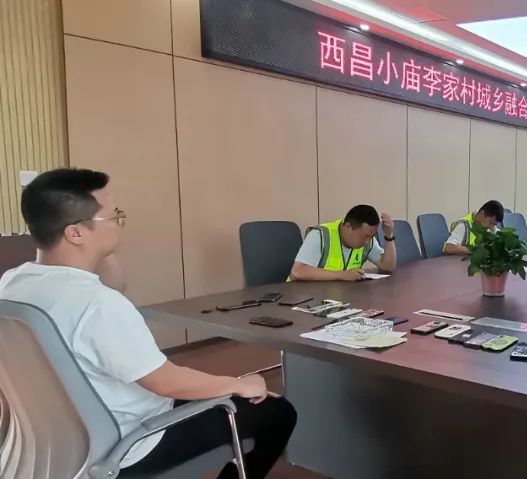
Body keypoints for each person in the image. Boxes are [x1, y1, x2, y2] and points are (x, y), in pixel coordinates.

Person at [0, 168, 296, 478]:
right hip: (131, 443)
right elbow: (166, 382)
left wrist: (100, 249)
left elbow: (113, 285)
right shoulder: (98, 304)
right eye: (114, 216)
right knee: (277, 412)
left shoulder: (13, 282)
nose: (120, 222)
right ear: (76, 233)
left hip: (59, 440)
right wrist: (239, 384)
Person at [290, 204, 397, 281]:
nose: (367, 241)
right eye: (365, 236)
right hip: (301, 297)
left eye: (371, 236)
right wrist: (343, 275)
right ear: (348, 226)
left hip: (337, 296)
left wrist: (389, 236)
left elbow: (388, 266)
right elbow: (298, 272)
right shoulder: (320, 235)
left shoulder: (368, 240)